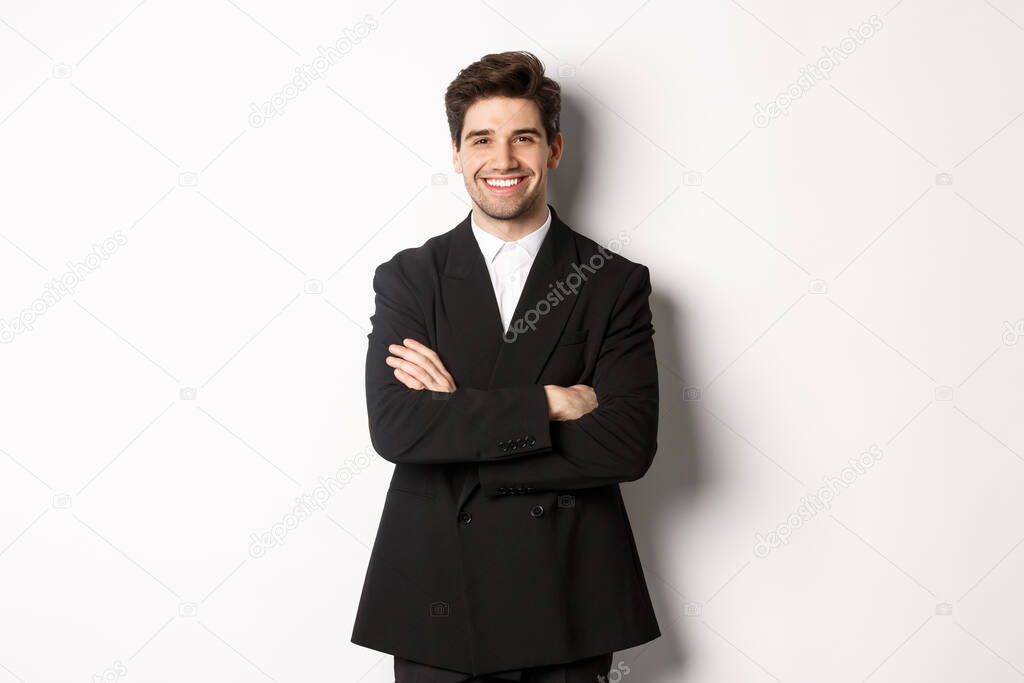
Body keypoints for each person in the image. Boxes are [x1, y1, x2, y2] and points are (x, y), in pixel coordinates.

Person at [350, 50, 661, 682]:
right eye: (482, 139)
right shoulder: (410, 278)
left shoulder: (614, 283)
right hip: (438, 598)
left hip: (567, 596)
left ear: (554, 149)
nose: (503, 160)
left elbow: (627, 447)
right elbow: (397, 429)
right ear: (457, 154)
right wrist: (551, 402)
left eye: (523, 138)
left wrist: (457, 420)